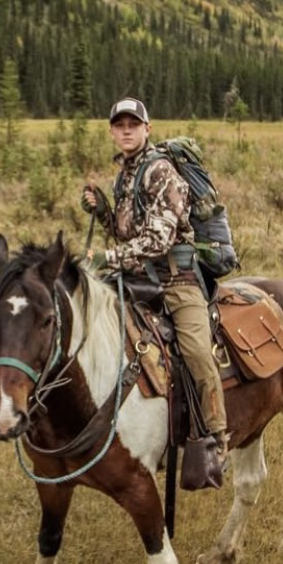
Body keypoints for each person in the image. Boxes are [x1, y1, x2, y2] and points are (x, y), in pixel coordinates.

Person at [82, 97, 228, 467]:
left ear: (147, 128)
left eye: (134, 124)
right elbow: (127, 231)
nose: (126, 130)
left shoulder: (160, 170)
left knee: (196, 351)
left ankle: (216, 437)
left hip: (176, 281)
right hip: (136, 276)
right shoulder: (125, 176)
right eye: (120, 125)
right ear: (113, 131)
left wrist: (107, 257)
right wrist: (103, 212)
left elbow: (158, 240)